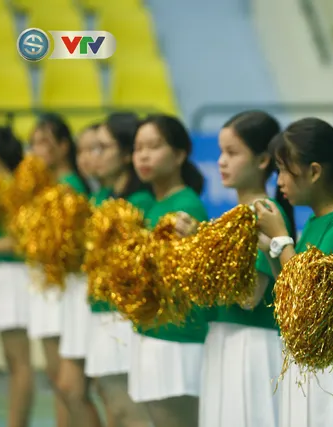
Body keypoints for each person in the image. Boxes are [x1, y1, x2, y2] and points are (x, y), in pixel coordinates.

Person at [174, 111, 295, 427]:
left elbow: (248, 297)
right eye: (220, 152)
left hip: (252, 346)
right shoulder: (234, 215)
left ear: (263, 160)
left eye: (232, 152)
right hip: (224, 339)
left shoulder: (263, 213)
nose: (221, 162)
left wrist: (200, 247)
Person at [253, 117, 333, 427]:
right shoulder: (316, 222)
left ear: (315, 171)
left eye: (284, 170)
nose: (278, 182)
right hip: (309, 365)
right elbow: (290, 301)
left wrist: (281, 239)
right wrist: (269, 249)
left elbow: (311, 298)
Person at [128, 114, 211, 427]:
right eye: (138, 148)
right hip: (152, 331)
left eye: (154, 146)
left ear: (179, 154)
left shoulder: (185, 206)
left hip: (177, 338)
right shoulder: (151, 205)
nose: (144, 155)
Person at [76, 113, 154, 427]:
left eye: (102, 148)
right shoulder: (103, 199)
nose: (94, 158)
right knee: (113, 409)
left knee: (128, 413)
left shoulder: (140, 203)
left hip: (122, 317)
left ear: (125, 154)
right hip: (100, 312)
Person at [29, 113, 91, 427]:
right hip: (54, 285)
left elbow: (69, 248)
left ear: (63, 146)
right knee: (61, 383)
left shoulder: (68, 188)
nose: (36, 151)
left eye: (43, 142)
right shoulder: (53, 186)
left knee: (66, 384)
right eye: (33, 143)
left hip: (67, 286)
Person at [0, 126, 34, 427]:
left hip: (16, 276)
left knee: (19, 362)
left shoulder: (12, 189)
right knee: (12, 360)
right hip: (3, 275)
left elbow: (21, 241)